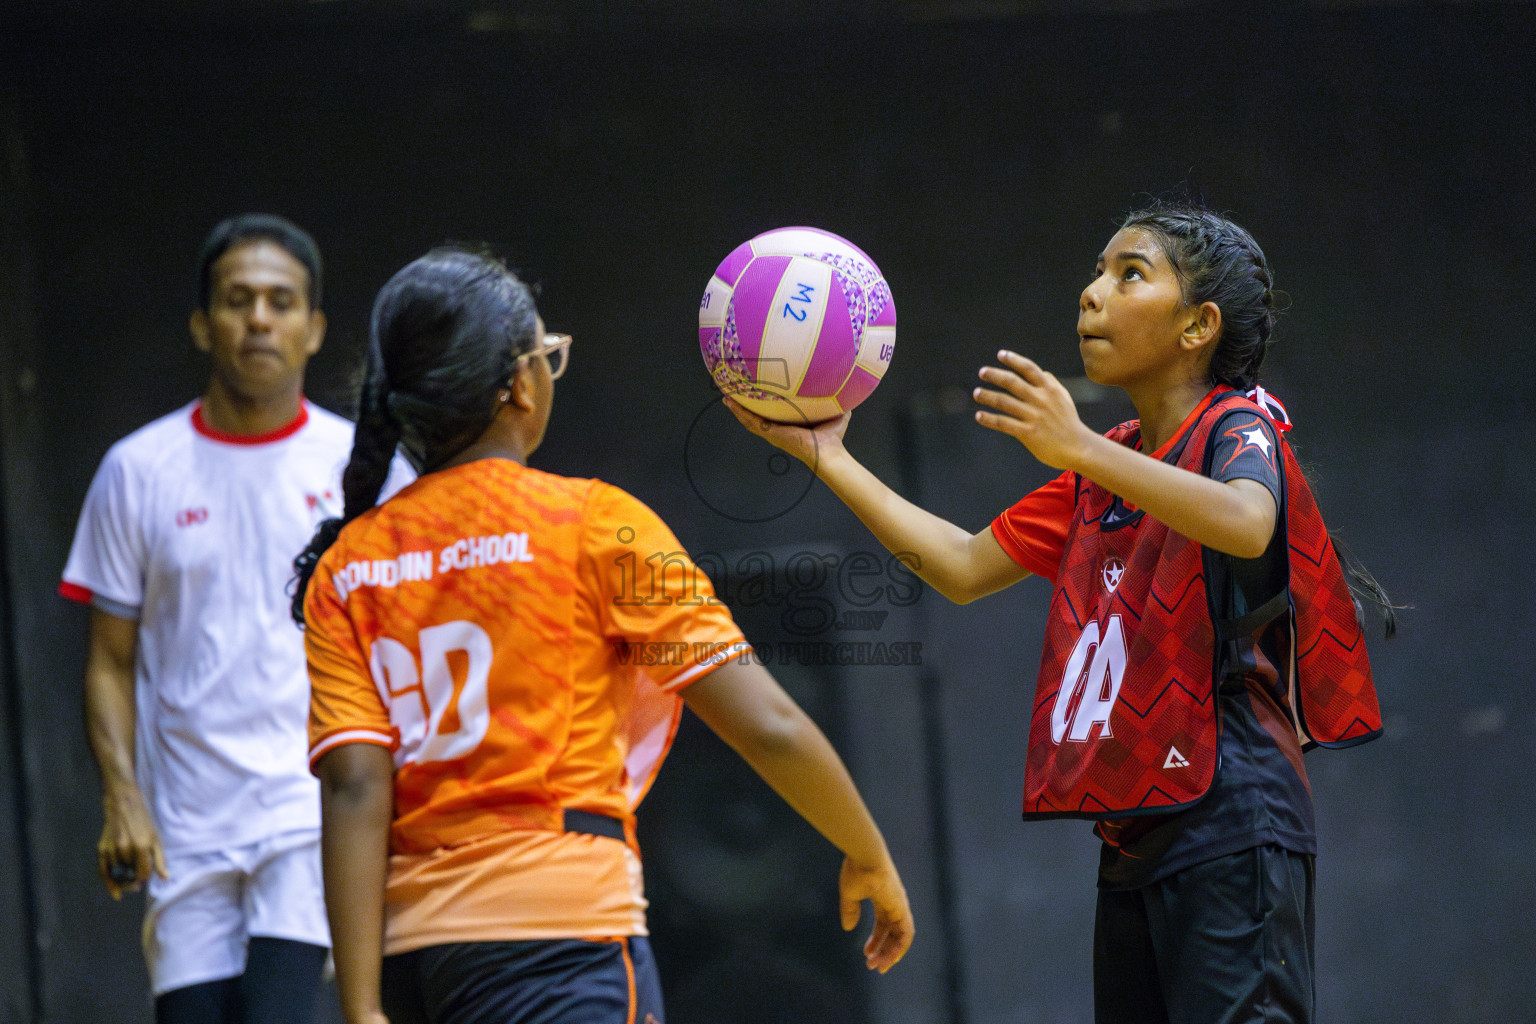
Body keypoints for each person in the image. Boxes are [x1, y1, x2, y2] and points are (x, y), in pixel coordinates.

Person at [727, 203, 1385, 1024]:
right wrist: (829, 456)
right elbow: (963, 567)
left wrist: (1077, 446)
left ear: (1198, 326)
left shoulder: (1237, 426)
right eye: (1096, 269)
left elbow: (1248, 519)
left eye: (1129, 274)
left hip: (1235, 814)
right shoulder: (1107, 467)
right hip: (1138, 833)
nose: (1092, 292)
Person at [291, 247, 913, 1024]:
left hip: (413, 961)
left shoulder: (348, 568)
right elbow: (768, 723)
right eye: (550, 355)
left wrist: (361, 1009)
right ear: (521, 382)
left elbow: (353, 789)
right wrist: (868, 849)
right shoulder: (594, 524)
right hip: (561, 941)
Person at [61, 214, 412, 1023]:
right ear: (201, 322)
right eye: (238, 299)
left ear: (314, 328)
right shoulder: (137, 470)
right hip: (184, 823)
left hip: (313, 808)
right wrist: (122, 796)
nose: (259, 318)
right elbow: (109, 661)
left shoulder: (365, 470)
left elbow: (407, 645)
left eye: (281, 302)